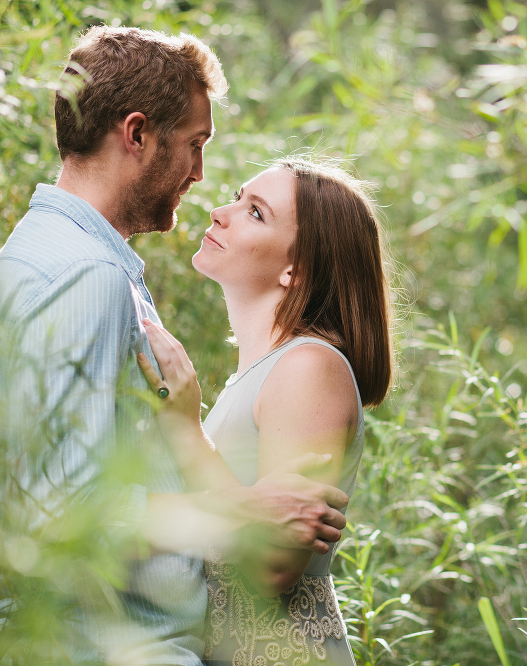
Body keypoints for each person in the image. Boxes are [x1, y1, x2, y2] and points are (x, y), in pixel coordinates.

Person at [0, 27, 349, 665]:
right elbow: (63, 511)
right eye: (195, 144)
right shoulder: (87, 275)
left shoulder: (41, 253)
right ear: (136, 134)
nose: (200, 174)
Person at [136, 157, 393, 665]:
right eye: (237, 196)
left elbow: (273, 564)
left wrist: (189, 433)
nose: (218, 211)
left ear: (297, 269)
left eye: (255, 212)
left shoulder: (310, 367)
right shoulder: (267, 370)